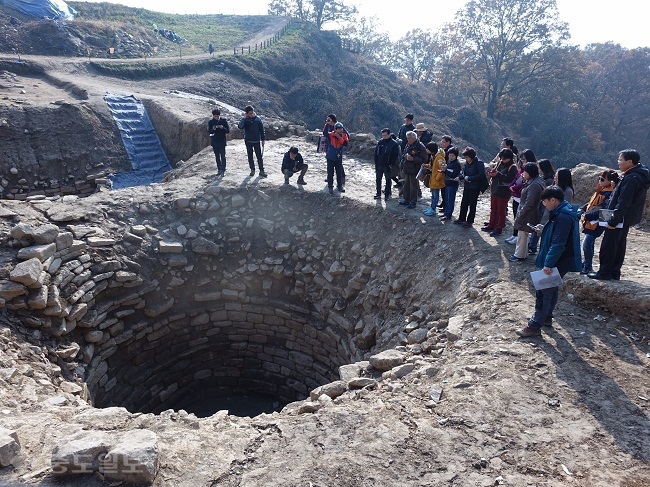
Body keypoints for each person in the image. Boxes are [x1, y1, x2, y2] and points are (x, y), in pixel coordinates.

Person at [516, 186, 581, 337]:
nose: (544, 204)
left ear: (553, 200)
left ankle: (534, 326)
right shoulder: (561, 212)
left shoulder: (563, 216)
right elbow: (557, 233)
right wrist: (544, 228)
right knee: (551, 289)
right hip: (561, 259)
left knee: (543, 291)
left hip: (558, 259)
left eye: (545, 201)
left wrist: (548, 264)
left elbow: (558, 243)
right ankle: (546, 317)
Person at [589, 149, 650, 280]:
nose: (618, 163)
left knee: (609, 245)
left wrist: (613, 221)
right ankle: (614, 272)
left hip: (619, 218)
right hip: (626, 218)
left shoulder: (632, 178)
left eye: (621, 160)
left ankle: (604, 272)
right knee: (619, 245)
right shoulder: (636, 175)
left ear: (630, 162)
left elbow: (624, 202)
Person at [580, 170, 620, 274]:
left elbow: (604, 210)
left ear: (610, 181)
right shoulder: (602, 190)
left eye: (602, 179)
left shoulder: (610, 193)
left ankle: (587, 266)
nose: (599, 181)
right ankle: (586, 264)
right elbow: (592, 203)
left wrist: (588, 215)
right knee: (589, 244)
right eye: (599, 178)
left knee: (586, 244)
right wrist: (583, 208)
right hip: (591, 221)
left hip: (597, 222)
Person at [509, 162, 546, 261]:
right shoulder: (536, 181)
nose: (523, 173)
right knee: (523, 234)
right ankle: (522, 254)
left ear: (529, 173)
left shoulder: (534, 185)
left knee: (522, 235)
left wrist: (521, 213)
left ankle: (519, 255)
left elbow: (530, 203)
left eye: (524, 171)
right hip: (529, 212)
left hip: (528, 213)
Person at [483, 148, 518, 236]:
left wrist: (497, 174)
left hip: (504, 192)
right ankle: (491, 225)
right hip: (495, 189)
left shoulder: (513, 167)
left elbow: (509, 178)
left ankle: (499, 228)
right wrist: (491, 173)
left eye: (504, 158)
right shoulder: (500, 163)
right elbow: (496, 172)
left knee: (501, 211)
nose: (502, 160)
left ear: (509, 158)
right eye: (501, 158)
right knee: (493, 209)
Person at [506, 149, 536, 244]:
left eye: (524, 159)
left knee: (521, 218)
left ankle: (518, 237)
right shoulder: (520, 170)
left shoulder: (530, 173)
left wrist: (514, 188)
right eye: (521, 159)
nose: (522, 161)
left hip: (522, 198)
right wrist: (511, 186)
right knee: (516, 216)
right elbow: (515, 179)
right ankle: (514, 235)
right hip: (515, 197)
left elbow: (524, 184)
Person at [528, 158, 556, 254]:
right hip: (541, 205)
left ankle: (533, 246)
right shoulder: (543, 178)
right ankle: (532, 244)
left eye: (539, 168)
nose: (538, 170)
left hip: (545, 207)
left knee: (540, 226)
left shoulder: (549, 180)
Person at [454, 147, 486, 228]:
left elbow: (481, 175)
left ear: (471, 157)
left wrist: (470, 178)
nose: (466, 159)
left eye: (467, 157)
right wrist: (460, 178)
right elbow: (464, 174)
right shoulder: (466, 164)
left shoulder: (479, 163)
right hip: (467, 186)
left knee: (472, 204)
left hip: (475, 187)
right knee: (464, 203)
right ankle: (461, 218)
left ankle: (470, 221)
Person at [399, 131, 427, 209]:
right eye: (407, 138)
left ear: (414, 138)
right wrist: (405, 158)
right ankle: (406, 199)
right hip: (407, 168)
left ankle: (413, 202)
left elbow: (424, 159)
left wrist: (413, 159)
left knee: (413, 187)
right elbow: (404, 154)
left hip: (415, 169)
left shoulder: (420, 146)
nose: (408, 140)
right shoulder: (408, 145)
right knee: (406, 185)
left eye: (409, 138)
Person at [238, 105, 266, 177]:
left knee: (259, 156)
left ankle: (261, 170)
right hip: (248, 141)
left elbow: (262, 130)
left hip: (256, 140)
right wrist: (243, 118)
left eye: (252, 113)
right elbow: (240, 127)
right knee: (250, 156)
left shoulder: (258, 119)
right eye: (250, 113)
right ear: (247, 113)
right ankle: (252, 170)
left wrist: (263, 139)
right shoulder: (245, 120)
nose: (252, 114)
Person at [374, 128, 399, 201]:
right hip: (379, 164)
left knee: (388, 180)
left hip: (388, 165)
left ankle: (387, 194)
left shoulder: (394, 144)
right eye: (383, 135)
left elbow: (395, 155)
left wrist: (391, 164)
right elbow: (376, 153)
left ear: (389, 134)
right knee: (378, 179)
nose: (384, 137)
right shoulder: (380, 142)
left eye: (385, 135)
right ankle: (378, 194)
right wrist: (376, 162)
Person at [423, 142, 446, 216]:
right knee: (433, 195)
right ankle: (431, 207)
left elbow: (442, 169)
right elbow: (433, 166)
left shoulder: (439, 158)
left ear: (431, 150)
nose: (426, 150)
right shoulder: (434, 156)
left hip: (436, 180)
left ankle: (433, 209)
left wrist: (437, 178)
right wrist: (426, 166)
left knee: (435, 196)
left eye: (428, 149)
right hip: (433, 179)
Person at [326, 122, 349, 194]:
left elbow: (345, 143)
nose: (340, 130)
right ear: (335, 129)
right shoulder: (330, 135)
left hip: (338, 157)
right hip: (330, 157)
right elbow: (324, 133)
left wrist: (339, 137)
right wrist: (327, 123)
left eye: (341, 128)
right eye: (338, 129)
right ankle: (330, 186)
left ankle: (340, 186)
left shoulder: (344, 136)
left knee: (339, 172)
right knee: (330, 173)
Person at [207, 108, 230, 177]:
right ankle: (219, 169)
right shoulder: (211, 122)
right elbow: (209, 132)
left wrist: (222, 127)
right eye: (215, 116)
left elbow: (228, 131)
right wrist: (213, 129)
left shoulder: (223, 121)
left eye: (217, 116)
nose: (216, 117)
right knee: (217, 156)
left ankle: (223, 170)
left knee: (223, 156)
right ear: (213, 116)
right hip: (215, 141)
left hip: (222, 141)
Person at [441, 146, 462, 221]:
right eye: (449, 155)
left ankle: (448, 215)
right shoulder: (449, 162)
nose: (450, 157)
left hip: (452, 184)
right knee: (446, 199)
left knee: (450, 200)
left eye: (452, 155)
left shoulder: (457, 164)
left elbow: (453, 174)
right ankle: (446, 213)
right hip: (447, 183)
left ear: (456, 156)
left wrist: (445, 171)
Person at [439, 135, 456, 211]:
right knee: (443, 190)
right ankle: (444, 204)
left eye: (444, 142)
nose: (442, 143)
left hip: (448, 174)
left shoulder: (450, 150)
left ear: (448, 142)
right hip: (445, 171)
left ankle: (445, 206)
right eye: (442, 142)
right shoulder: (446, 149)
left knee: (446, 190)